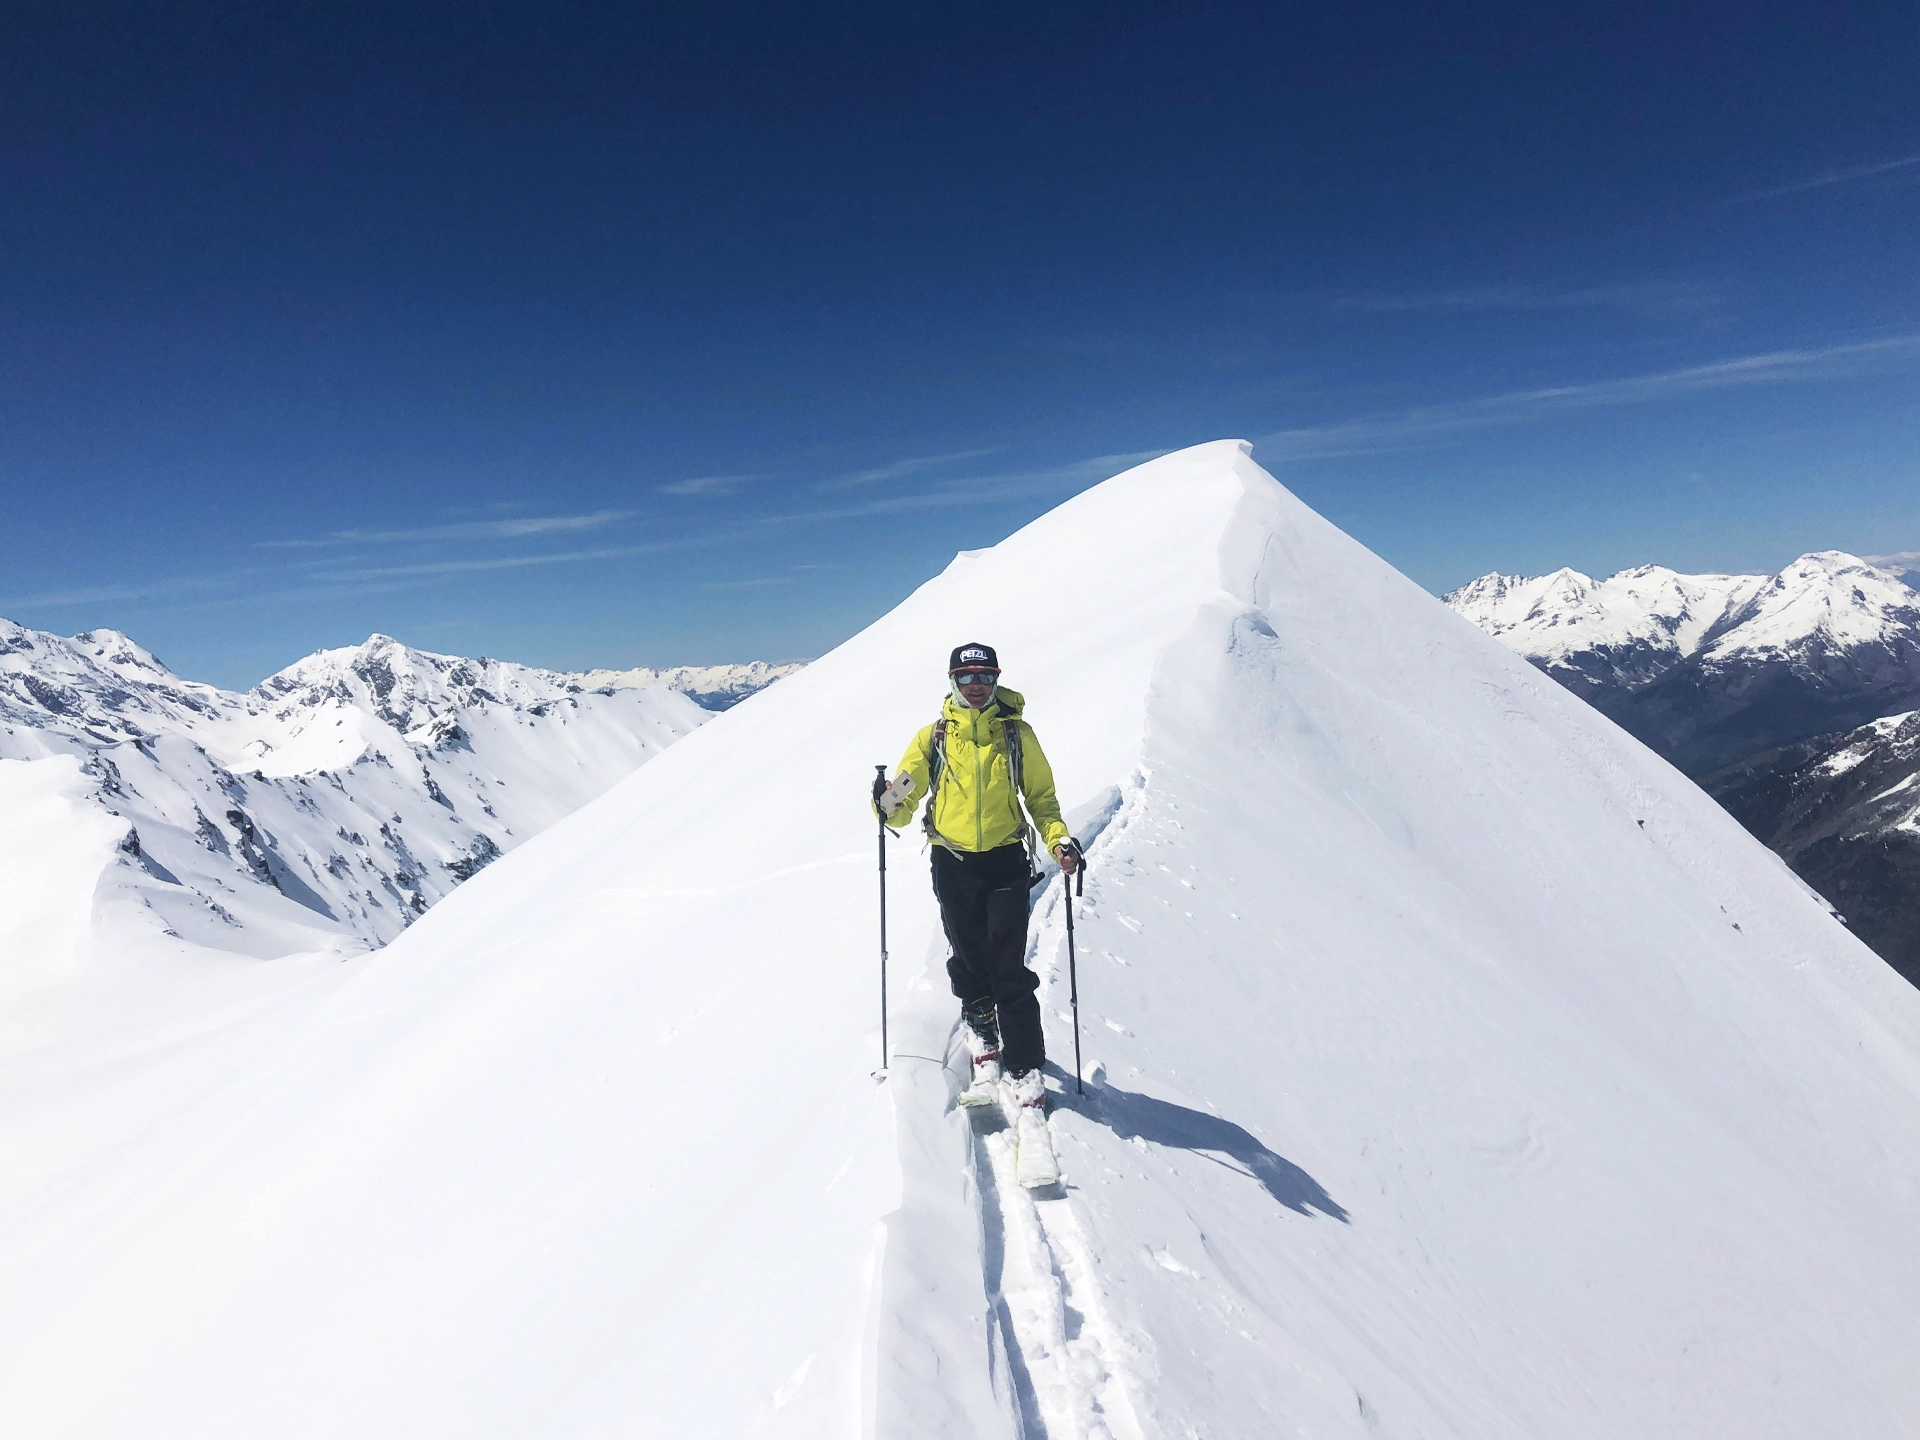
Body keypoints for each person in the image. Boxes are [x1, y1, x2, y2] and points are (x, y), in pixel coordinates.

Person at [873, 643, 1080, 1128]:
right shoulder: (933, 739)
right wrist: (885, 804)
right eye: (966, 678)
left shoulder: (1016, 735)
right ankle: (983, 1029)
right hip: (953, 861)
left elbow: (1042, 798)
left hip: (1007, 859)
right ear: (952, 683)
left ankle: (1025, 1065)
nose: (976, 685)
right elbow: (904, 797)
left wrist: (1058, 841)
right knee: (969, 956)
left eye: (984, 675)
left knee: (1007, 962)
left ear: (995, 679)